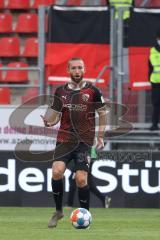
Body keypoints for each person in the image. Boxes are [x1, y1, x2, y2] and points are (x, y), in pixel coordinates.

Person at [41, 57, 107, 228]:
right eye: (74, 68)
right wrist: (49, 122)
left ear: (84, 70)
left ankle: (86, 214)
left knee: (81, 179)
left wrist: (100, 136)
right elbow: (55, 116)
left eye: (80, 68)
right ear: (68, 71)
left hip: (84, 142)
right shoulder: (60, 92)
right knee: (56, 172)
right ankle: (58, 211)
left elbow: (103, 113)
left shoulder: (93, 91)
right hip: (64, 140)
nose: (77, 71)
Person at [149, 31, 160, 131]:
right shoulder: (153, 50)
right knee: (156, 104)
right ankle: (154, 124)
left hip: (155, 81)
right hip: (155, 81)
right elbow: (150, 67)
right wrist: (150, 79)